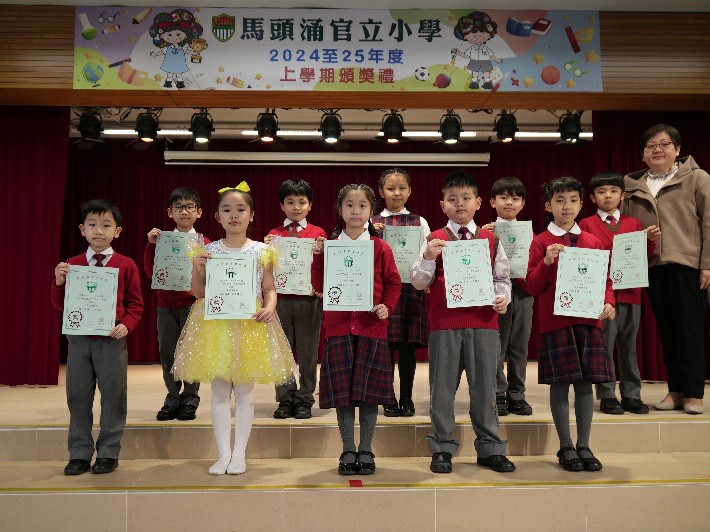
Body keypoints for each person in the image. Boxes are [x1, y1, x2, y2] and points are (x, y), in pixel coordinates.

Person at [171, 182, 295, 475]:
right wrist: (197, 267)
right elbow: (198, 293)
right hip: (216, 326)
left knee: (245, 393)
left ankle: (239, 454)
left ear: (251, 215)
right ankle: (222, 454)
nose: (234, 215)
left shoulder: (262, 251)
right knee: (218, 393)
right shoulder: (208, 250)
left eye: (240, 209)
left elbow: (269, 288)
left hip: (250, 326)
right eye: (227, 210)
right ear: (217, 216)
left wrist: (270, 306)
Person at [411, 171, 516, 475]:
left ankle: (490, 448)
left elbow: (502, 277)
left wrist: (502, 297)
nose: (460, 204)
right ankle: (442, 448)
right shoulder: (433, 239)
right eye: (452, 199)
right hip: (445, 323)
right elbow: (418, 282)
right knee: (443, 390)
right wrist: (428, 257)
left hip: (484, 323)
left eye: (466, 198)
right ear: (442, 205)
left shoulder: (491, 239)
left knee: (485, 389)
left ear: (478, 203)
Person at [311, 184, 402, 475]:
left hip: (371, 328)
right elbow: (318, 286)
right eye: (349, 205)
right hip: (338, 329)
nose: (355, 211)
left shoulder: (380, 247)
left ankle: (366, 449)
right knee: (344, 395)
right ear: (340, 210)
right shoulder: (329, 246)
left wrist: (386, 306)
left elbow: (393, 283)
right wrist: (318, 257)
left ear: (371, 210)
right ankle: (348, 449)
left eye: (362, 205)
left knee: (369, 394)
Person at [527, 177, 615, 472]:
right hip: (556, 324)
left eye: (573, 200)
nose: (567, 206)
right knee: (560, 385)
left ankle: (584, 445)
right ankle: (566, 446)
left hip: (588, 322)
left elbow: (605, 280)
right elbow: (532, 286)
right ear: (547, 206)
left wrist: (609, 302)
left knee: (585, 385)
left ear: (581, 204)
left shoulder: (593, 241)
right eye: (560, 200)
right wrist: (546, 263)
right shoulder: (541, 241)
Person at [51, 199, 144, 475]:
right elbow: (59, 305)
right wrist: (58, 282)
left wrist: (126, 325)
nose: (98, 231)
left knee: (114, 397)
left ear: (117, 231)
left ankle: (108, 451)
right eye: (92, 225)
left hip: (111, 340)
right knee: (77, 396)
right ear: (82, 229)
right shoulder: (72, 265)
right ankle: (79, 453)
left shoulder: (126, 265)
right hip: (79, 341)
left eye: (106, 225)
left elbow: (136, 305)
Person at [623, 124, 710, 415]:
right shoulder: (632, 186)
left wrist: (707, 264)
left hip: (687, 264)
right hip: (651, 267)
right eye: (650, 146)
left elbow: (709, 223)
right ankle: (676, 390)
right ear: (642, 155)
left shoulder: (697, 178)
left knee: (690, 330)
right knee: (668, 331)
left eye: (664, 144)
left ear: (677, 149)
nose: (657, 150)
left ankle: (694, 393)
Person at [579, 172, 660, 415]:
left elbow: (640, 258)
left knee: (629, 345)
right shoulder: (586, 224)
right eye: (601, 192)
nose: (608, 196)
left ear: (622, 196)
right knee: (604, 345)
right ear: (592, 197)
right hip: (603, 296)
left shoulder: (633, 224)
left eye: (613, 191)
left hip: (631, 293)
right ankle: (606, 395)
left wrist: (649, 242)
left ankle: (632, 394)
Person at [144, 186, 210, 422]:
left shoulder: (204, 243)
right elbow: (151, 272)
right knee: (168, 353)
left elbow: (209, 278)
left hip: (192, 305)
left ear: (199, 212)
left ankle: (190, 399)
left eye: (190, 207)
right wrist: (151, 245)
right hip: (166, 305)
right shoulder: (160, 240)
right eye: (179, 207)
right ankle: (172, 398)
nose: (184, 211)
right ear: (169, 212)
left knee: (191, 353)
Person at [264, 179, 328, 420]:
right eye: (290, 202)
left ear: (310, 205)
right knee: (282, 352)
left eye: (302, 202)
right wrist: (264, 250)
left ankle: (305, 398)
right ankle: (285, 398)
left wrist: (323, 252)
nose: (296, 207)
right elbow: (265, 270)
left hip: (308, 301)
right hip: (280, 300)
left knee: (308, 352)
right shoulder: (274, 235)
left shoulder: (318, 234)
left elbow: (324, 268)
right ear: (282, 206)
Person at [371, 168, 430, 417]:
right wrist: (371, 233)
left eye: (402, 188)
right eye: (391, 188)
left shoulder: (419, 222)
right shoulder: (371, 221)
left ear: (410, 191)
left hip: (410, 290)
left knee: (406, 348)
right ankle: (387, 397)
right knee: (384, 348)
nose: (397, 193)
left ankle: (406, 398)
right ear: (381, 191)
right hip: (382, 292)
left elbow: (427, 255)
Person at [482, 177, 534, 417]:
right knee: (497, 344)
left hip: (523, 292)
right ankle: (497, 392)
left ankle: (517, 392)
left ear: (522, 203)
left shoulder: (530, 234)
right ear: (492, 202)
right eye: (503, 197)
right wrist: (486, 238)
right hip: (496, 293)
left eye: (515, 198)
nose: (509, 202)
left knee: (519, 344)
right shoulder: (485, 232)